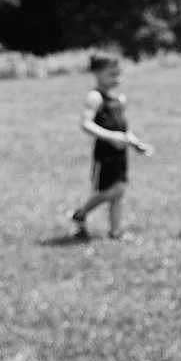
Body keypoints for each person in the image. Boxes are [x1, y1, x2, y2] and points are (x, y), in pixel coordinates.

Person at [68, 53, 153, 240]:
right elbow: (86, 124)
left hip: (120, 153)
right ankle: (80, 214)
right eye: (112, 74)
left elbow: (124, 128)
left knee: (119, 192)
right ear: (97, 73)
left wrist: (136, 143)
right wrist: (110, 136)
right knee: (107, 191)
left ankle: (116, 232)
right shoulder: (94, 97)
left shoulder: (119, 99)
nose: (117, 78)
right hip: (105, 154)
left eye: (118, 73)